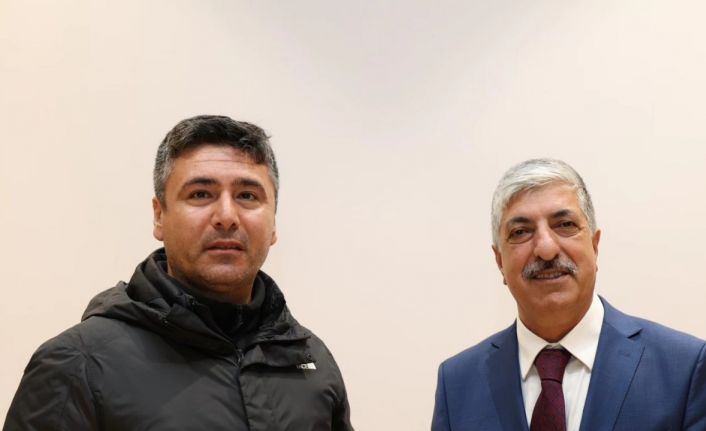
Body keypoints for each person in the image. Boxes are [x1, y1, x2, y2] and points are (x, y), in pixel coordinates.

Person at [4, 115, 353, 431]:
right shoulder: (78, 364)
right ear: (159, 216)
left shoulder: (311, 361)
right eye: (201, 194)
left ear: (273, 222)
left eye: (247, 196)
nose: (227, 216)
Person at [432, 158, 706, 431]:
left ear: (595, 246)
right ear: (500, 261)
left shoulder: (685, 369)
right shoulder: (456, 385)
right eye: (521, 231)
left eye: (564, 225)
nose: (546, 249)